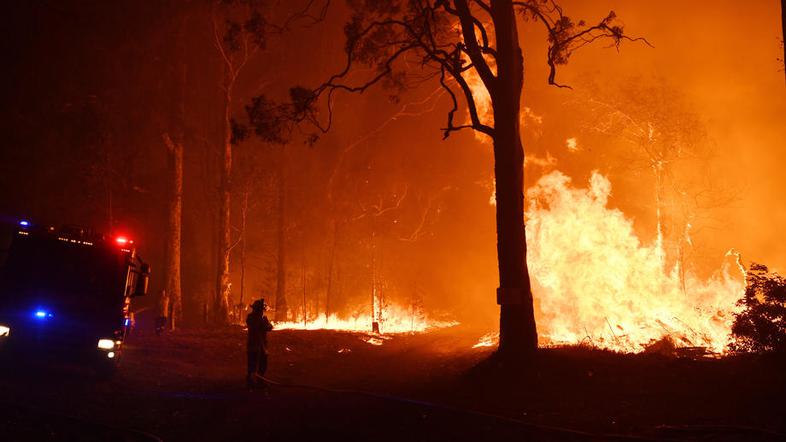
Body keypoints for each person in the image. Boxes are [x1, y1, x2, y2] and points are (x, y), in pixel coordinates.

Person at [246, 298, 273, 389]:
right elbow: (255, 326)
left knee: (263, 364)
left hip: (262, 345)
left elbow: (270, 327)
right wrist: (263, 323)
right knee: (252, 364)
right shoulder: (250, 317)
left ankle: (260, 380)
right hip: (253, 345)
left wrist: (265, 323)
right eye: (260, 310)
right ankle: (250, 381)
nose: (262, 312)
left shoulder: (263, 319)